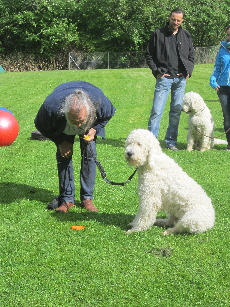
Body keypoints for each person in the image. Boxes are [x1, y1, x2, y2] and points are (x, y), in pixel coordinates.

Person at [34, 81, 116, 212]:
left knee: (89, 155)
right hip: (62, 126)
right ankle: (67, 199)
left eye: (81, 121)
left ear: (89, 112)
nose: (78, 126)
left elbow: (109, 114)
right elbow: (40, 125)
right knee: (64, 156)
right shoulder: (51, 108)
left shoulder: (100, 103)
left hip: (90, 125)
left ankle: (87, 199)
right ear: (64, 112)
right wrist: (61, 142)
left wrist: (95, 129)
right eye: (74, 121)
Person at [145, 8, 195, 151]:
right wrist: (156, 71)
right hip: (164, 78)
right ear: (169, 18)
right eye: (173, 19)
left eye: (179, 20)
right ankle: (151, 143)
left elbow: (191, 56)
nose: (176, 22)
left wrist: (188, 71)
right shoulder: (158, 34)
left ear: (182, 20)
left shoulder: (186, 35)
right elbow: (149, 54)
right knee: (156, 111)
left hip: (180, 80)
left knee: (176, 111)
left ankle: (171, 141)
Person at [210, 25, 230, 150]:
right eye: (228, 34)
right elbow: (217, 68)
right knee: (227, 116)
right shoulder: (222, 48)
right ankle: (229, 144)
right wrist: (213, 80)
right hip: (222, 87)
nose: (229, 37)